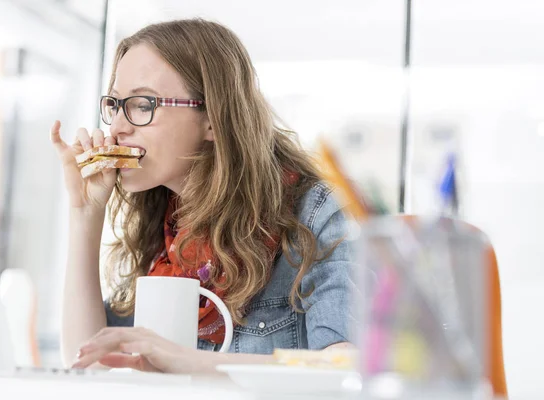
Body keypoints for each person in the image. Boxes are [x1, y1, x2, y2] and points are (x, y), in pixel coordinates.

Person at [50, 18, 356, 374]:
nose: (117, 126)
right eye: (115, 104)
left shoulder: (316, 214)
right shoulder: (161, 229)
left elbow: (346, 368)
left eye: (143, 105)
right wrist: (85, 215)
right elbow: (87, 363)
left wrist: (189, 362)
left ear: (212, 118)